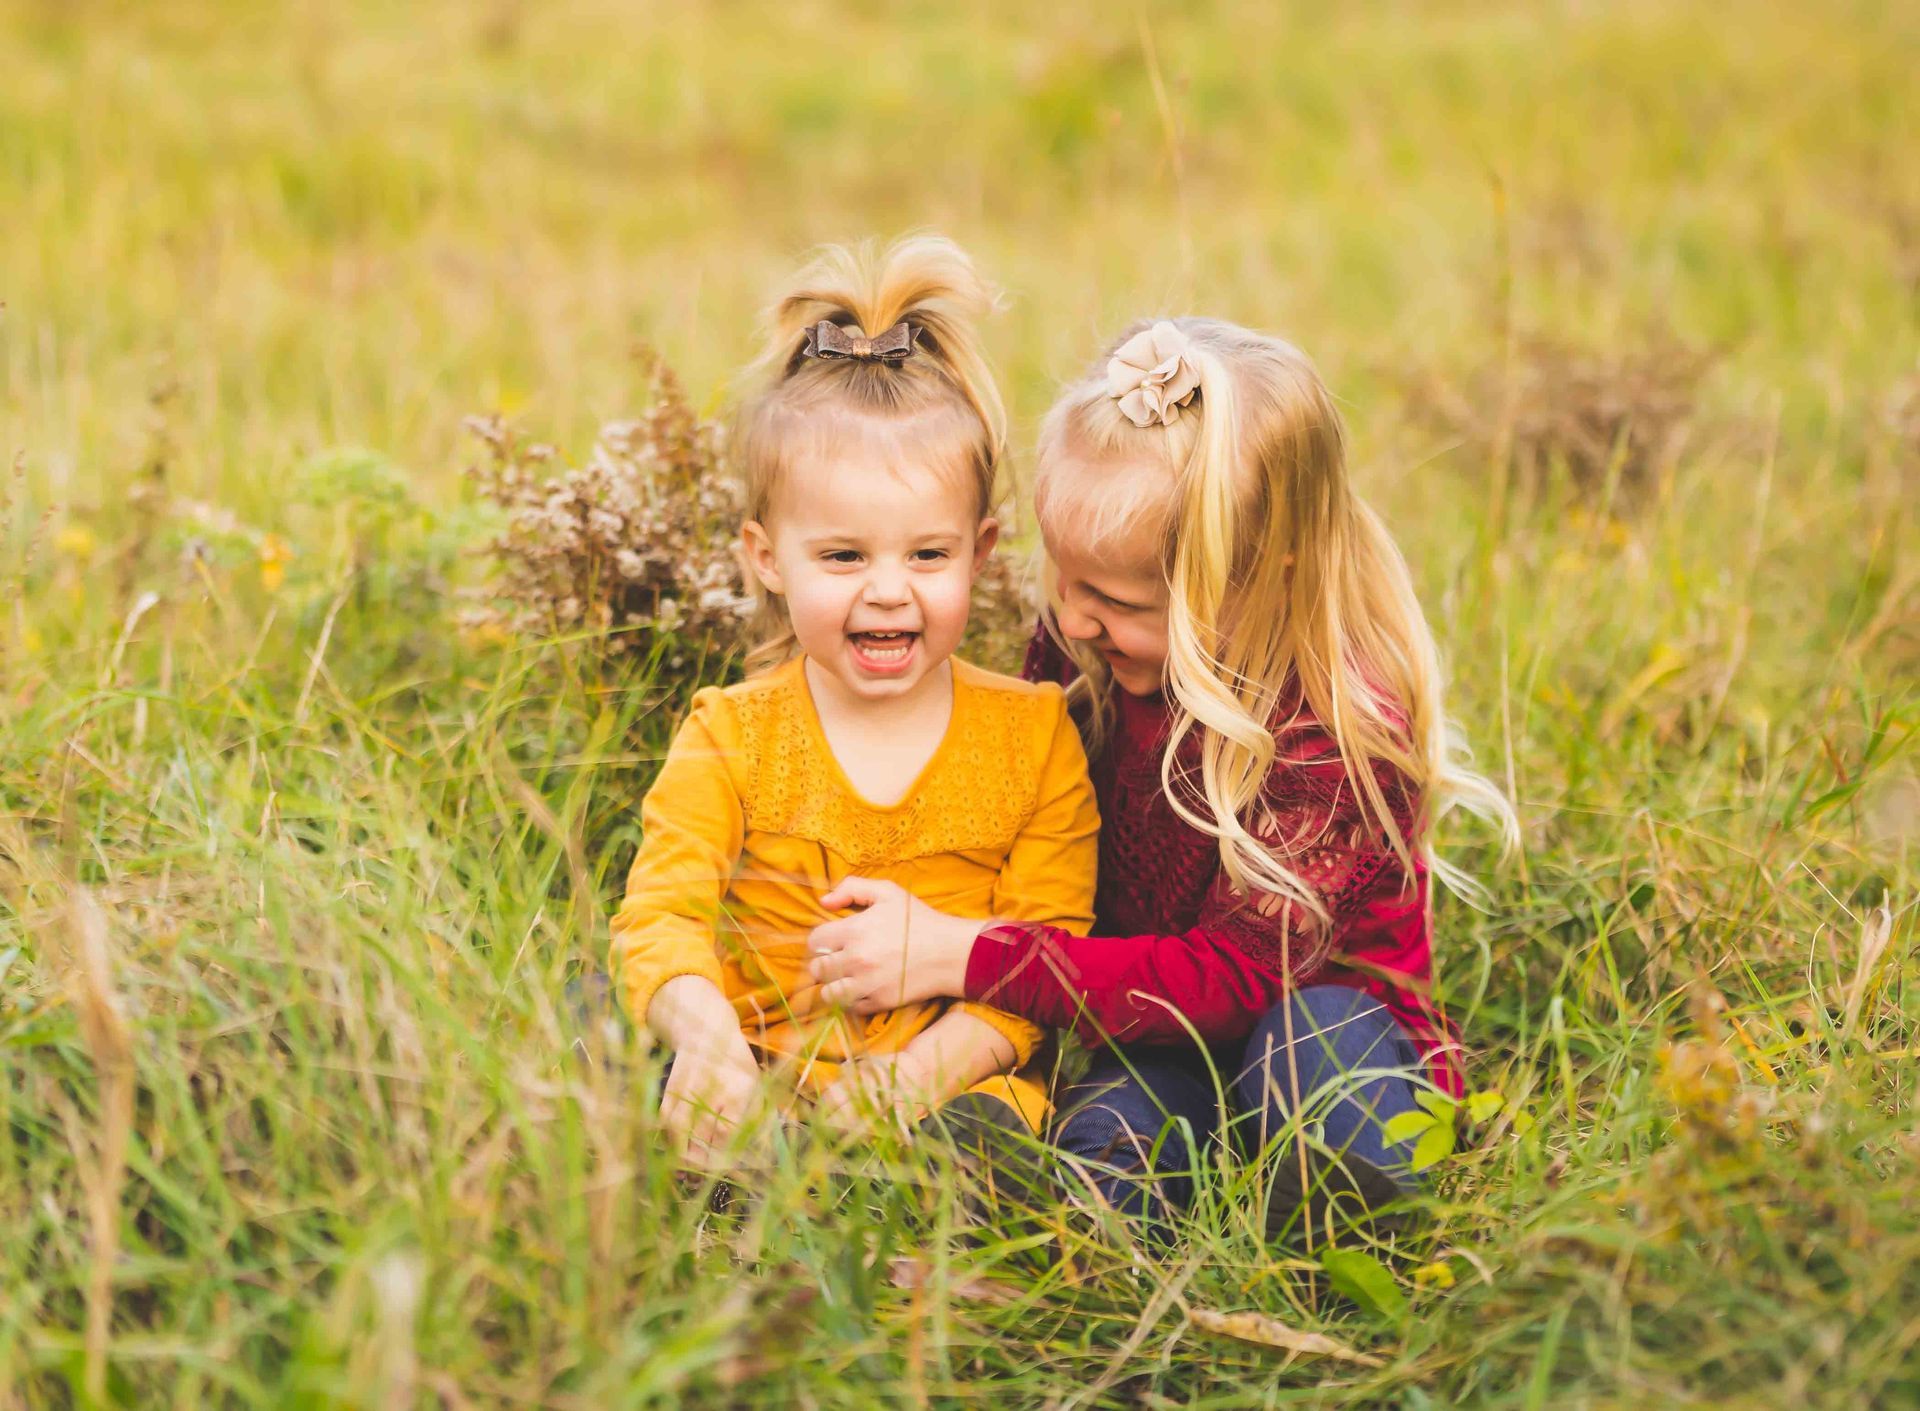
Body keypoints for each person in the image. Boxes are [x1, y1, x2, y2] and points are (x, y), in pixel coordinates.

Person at [806, 318, 1517, 1230]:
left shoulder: (1332, 727)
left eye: (1116, 599)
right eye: (1066, 578)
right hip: (1149, 1028)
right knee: (1118, 1128)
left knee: (1316, 1070)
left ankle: (1341, 1217)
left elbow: (1235, 980)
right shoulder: (1087, 651)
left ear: (1258, 580)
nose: (1073, 617)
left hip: (1323, 1024)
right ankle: (1075, 1221)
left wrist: (965, 954)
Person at [608, 236, 1100, 1170]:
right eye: (843, 556)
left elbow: (1046, 952)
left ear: (980, 551)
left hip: (948, 1086)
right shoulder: (731, 732)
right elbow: (661, 914)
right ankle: (733, 1173)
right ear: (766, 557)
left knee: (993, 1140)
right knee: (617, 1051)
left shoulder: (1033, 735)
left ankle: (943, 1211)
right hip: (760, 1071)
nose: (887, 591)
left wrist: (910, 1080)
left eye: (927, 554)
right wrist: (708, 1040)